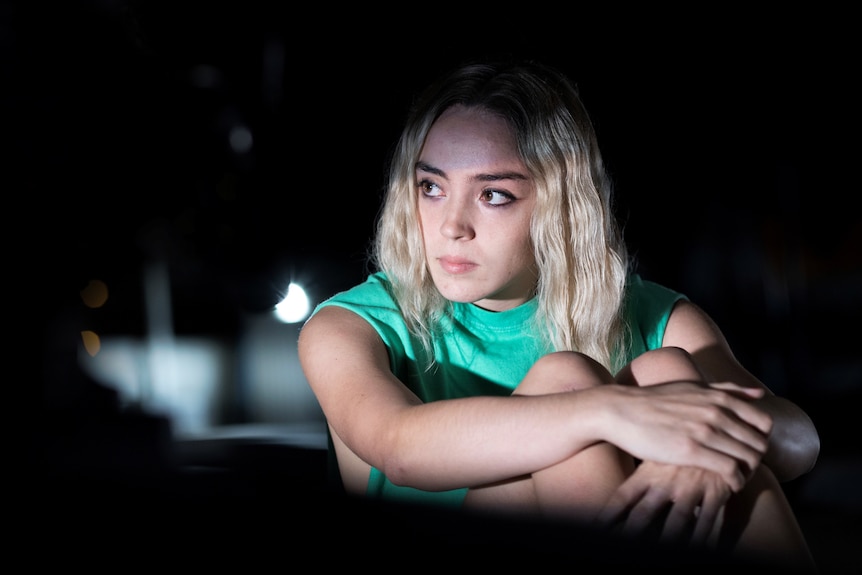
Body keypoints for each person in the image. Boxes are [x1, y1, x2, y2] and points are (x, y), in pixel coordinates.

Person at [297, 59, 820, 568]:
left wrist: (706, 449)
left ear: (560, 205)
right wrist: (611, 412)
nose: (451, 225)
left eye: (493, 194)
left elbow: (799, 439)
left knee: (670, 373)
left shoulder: (651, 315)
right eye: (430, 187)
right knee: (568, 378)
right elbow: (398, 447)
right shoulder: (351, 323)